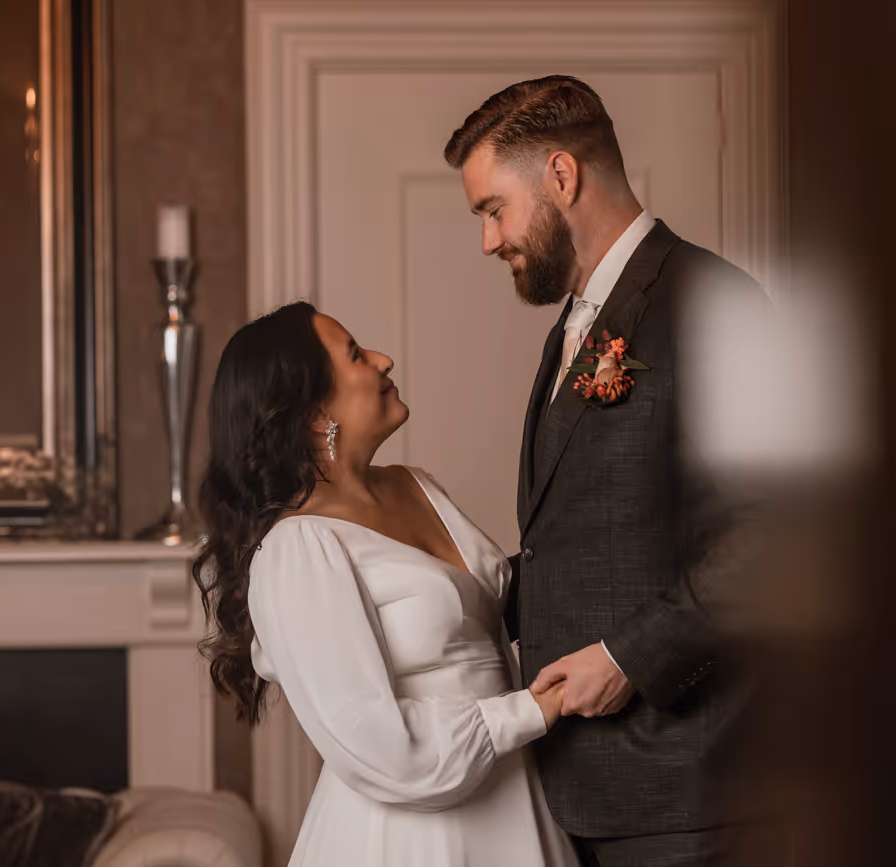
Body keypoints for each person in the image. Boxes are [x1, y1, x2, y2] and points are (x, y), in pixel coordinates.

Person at [443, 75, 768, 865]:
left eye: (494, 209)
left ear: (561, 175)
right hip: (578, 790)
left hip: (686, 795)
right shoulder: (575, 323)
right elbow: (585, 536)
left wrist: (628, 657)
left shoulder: (715, 302)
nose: (488, 240)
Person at [194, 301, 578, 867]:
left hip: (521, 803)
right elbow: (378, 743)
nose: (383, 359)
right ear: (313, 413)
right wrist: (537, 708)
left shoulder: (416, 485)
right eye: (355, 354)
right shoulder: (297, 550)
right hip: (409, 835)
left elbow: (485, 610)